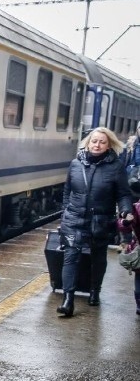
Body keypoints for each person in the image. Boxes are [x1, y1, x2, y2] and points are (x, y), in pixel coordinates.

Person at [57, 127, 133, 317]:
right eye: (94, 141)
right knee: (70, 257)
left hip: (101, 220)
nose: (97, 145)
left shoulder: (116, 167)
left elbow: (123, 194)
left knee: (98, 257)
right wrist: (66, 211)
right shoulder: (75, 164)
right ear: (88, 142)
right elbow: (67, 191)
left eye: (102, 142)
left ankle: (94, 291)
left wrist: (125, 210)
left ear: (109, 146)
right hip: (74, 219)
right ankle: (68, 299)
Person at [116, 185, 140, 316]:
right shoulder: (136, 208)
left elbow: (122, 225)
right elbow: (122, 224)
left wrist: (124, 223)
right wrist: (125, 222)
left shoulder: (136, 207)